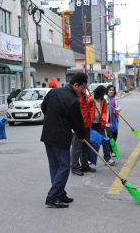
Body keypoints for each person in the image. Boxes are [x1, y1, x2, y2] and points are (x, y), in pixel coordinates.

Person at [41, 73, 87, 208]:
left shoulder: (53, 92)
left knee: (55, 166)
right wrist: (82, 135)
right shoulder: (73, 100)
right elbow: (77, 122)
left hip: (48, 134)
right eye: (82, 88)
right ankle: (52, 197)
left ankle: (60, 193)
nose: (83, 91)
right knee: (64, 166)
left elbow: (44, 107)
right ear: (75, 85)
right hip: (60, 137)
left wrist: (53, 119)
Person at [70, 87, 96, 176]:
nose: (84, 89)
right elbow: (79, 108)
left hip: (87, 124)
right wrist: (89, 100)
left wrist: (91, 100)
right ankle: (74, 167)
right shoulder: (75, 96)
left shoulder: (85, 94)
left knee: (86, 147)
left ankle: (84, 165)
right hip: (78, 126)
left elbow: (89, 109)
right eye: (83, 87)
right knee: (76, 148)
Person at [88, 85, 115, 166]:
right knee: (93, 142)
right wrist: (89, 100)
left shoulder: (103, 101)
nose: (102, 95)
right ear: (98, 92)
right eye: (102, 93)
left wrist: (103, 119)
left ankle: (107, 158)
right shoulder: (91, 97)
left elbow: (104, 112)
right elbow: (84, 107)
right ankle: (90, 159)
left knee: (105, 140)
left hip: (99, 124)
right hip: (91, 124)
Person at [105, 85, 121, 157]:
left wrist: (116, 110)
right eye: (110, 90)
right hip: (107, 120)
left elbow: (120, 107)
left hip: (115, 120)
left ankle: (111, 149)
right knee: (110, 136)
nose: (111, 91)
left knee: (115, 135)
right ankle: (111, 151)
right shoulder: (105, 99)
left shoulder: (116, 98)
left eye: (112, 90)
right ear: (107, 91)